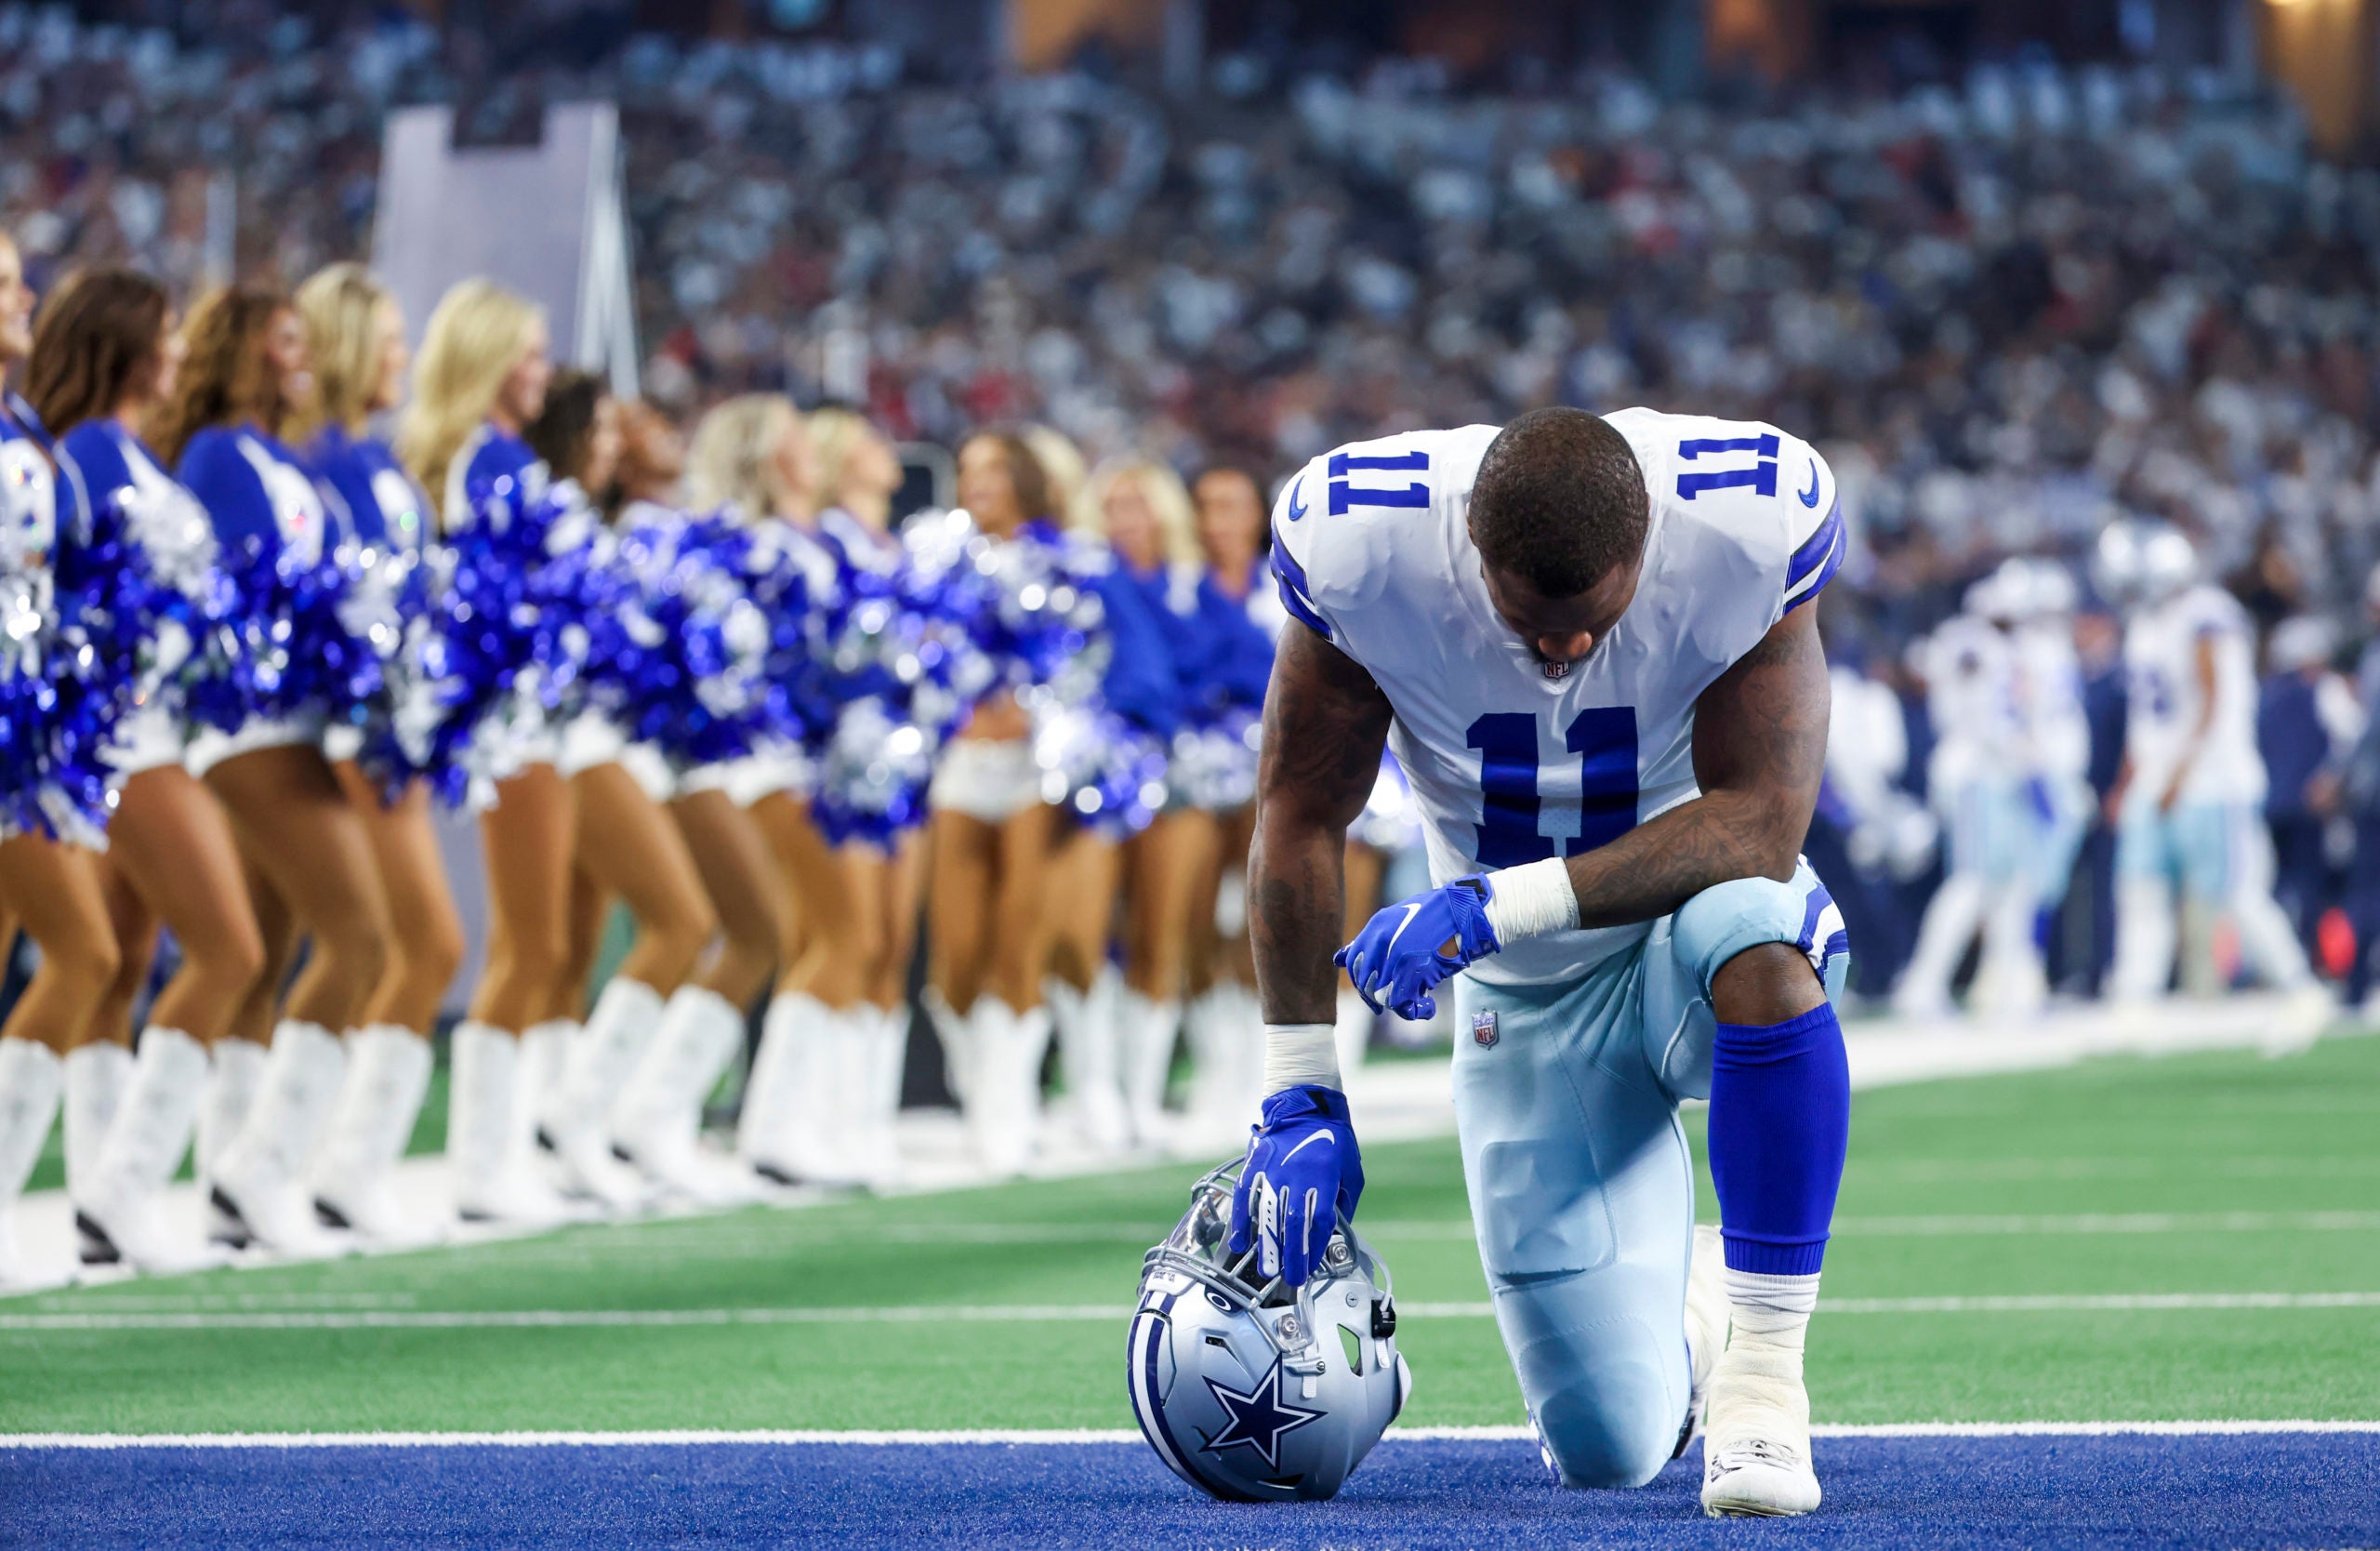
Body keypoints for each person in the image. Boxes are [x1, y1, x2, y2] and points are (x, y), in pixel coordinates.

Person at [1238, 408, 1851, 1517]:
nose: (1564, 649)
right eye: (1533, 621)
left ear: (1650, 546)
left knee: (1758, 931)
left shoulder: (1743, 524)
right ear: (1471, 550)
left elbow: (1761, 823)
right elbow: (1297, 812)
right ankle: (1700, 1305)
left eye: (1592, 619)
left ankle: (1762, 1379)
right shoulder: (1364, 546)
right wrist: (1298, 1087)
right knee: (1610, 1449)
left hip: (1682, 935)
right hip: (1523, 1010)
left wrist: (1492, 903)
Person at [153, 284, 396, 1256]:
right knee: (362, 940)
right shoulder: (218, 453)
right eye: (281, 339)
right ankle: (259, 1169)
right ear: (239, 352)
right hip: (252, 728)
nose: (298, 354)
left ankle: (230, 1183)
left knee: (268, 952)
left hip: (294, 724)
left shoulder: (281, 457)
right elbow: (244, 593)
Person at [39, 269, 266, 1273]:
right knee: (229, 951)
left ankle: (98, 1188)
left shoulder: (137, 455)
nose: (177, 351)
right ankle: (123, 1188)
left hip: (156, 726)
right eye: (166, 332)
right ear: (126, 345)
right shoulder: (85, 453)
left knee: (122, 961)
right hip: (121, 736)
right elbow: (59, 588)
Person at [292, 261, 463, 1244]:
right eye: (389, 339)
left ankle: (305, 1167)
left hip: (388, 726)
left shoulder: (375, 460)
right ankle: (336, 1168)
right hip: (350, 729)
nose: (401, 358)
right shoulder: (321, 461)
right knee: (420, 942)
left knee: (322, 946)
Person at [525, 371, 725, 1208]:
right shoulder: (557, 516)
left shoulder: (604, 525)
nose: (621, 438)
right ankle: (575, 1117)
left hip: (610, 745)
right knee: (679, 923)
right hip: (575, 745)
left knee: (566, 951)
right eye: (609, 425)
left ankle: (555, 1134)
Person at [397, 276, 571, 1226]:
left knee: (539, 942)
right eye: (531, 355)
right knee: (531, 940)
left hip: (529, 715)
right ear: (491, 362)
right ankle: (481, 1163)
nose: (542, 372)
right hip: (513, 720)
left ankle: (503, 1153)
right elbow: (485, 593)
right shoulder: (483, 459)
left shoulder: (496, 454)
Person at [684, 393, 858, 1187]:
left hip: (808, 760)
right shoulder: (757, 546)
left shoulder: (805, 539)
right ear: (763, 455)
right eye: (793, 434)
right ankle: (774, 1126)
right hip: (770, 760)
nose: (809, 444)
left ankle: (792, 1123)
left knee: (820, 937)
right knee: (837, 934)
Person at [0, 232, 125, 1290]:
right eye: (1, 283)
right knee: (84, 952)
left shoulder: (28, 424)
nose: (23, 294)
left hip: (26, 729)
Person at [2099, 522, 2323, 1022]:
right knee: (2140, 892)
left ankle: (2298, 985)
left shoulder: (2206, 615)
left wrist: (2179, 773)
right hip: (2160, 778)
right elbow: (2145, 719)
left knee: (2237, 892)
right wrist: (2129, 780)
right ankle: (2135, 998)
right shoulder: (2145, 624)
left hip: (2211, 779)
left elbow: (2212, 698)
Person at [921, 431, 1064, 1174]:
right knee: (954, 952)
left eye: (992, 469)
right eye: (966, 468)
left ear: (1023, 479)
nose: (975, 481)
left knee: (1018, 940)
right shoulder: (937, 561)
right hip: (960, 764)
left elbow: (1085, 657)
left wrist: (1039, 709)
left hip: (1034, 769)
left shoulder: (1062, 560)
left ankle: (1006, 1110)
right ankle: (974, 1081)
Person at [1176, 464, 1284, 1133]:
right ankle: (1214, 1065)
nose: (1217, 518)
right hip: (1191, 773)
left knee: (1258, 919)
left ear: (1257, 515)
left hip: (1269, 771)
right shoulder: (1179, 589)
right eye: (1205, 505)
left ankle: (1255, 1071)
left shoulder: (1283, 587)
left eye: (1231, 504)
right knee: (1189, 918)